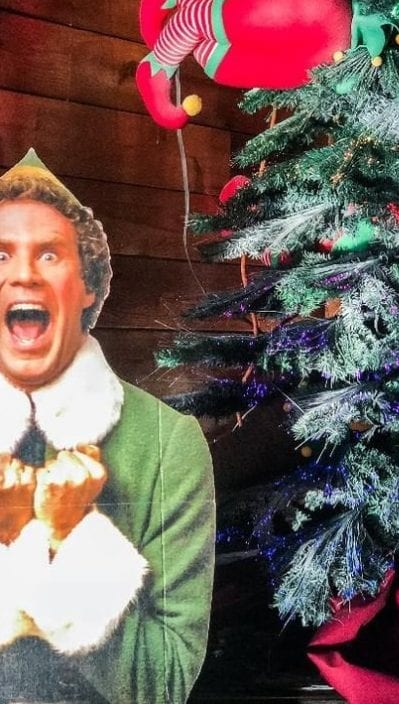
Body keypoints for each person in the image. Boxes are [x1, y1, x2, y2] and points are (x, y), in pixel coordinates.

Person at [0, 149, 215, 704]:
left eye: (50, 254)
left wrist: (69, 538)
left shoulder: (168, 444)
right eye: (0, 255)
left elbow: (166, 683)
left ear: (88, 285)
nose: (22, 274)